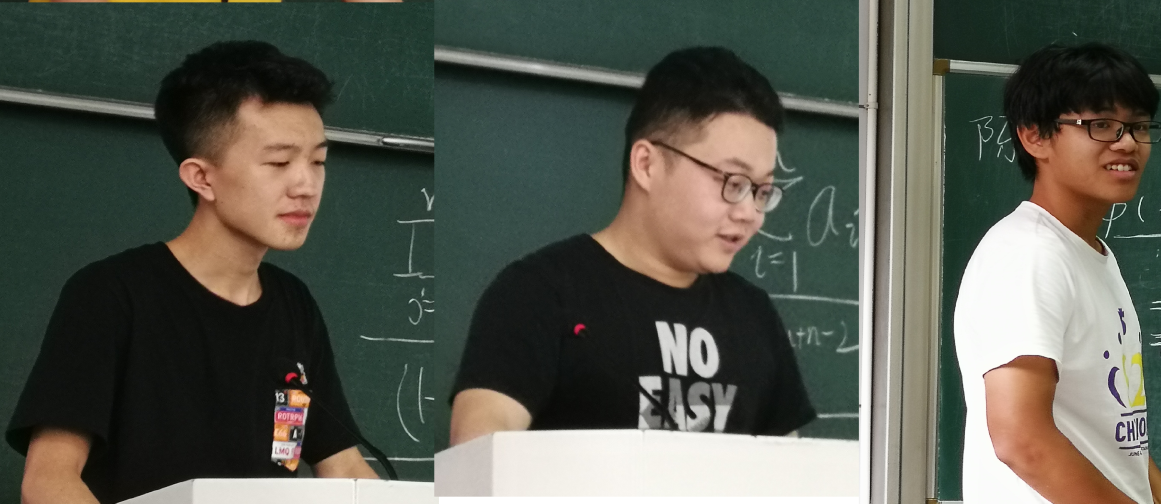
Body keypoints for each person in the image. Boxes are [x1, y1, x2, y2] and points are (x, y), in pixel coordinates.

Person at [8, 40, 377, 504]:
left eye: (318, 161)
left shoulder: (294, 304)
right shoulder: (111, 294)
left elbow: (343, 466)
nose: (306, 184)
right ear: (201, 177)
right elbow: (48, 481)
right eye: (279, 162)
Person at [448, 47, 816, 446]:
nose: (749, 213)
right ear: (647, 165)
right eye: (733, 182)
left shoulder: (753, 317)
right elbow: (479, 450)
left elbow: (791, 468)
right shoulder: (540, 293)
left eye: (762, 191)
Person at [954, 42, 1161, 503]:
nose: (1127, 143)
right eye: (1101, 124)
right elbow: (1021, 439)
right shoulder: (1029, 255)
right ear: (1034, 136)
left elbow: (1113, 431)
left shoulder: (1087, 252)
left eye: (1139, 126)